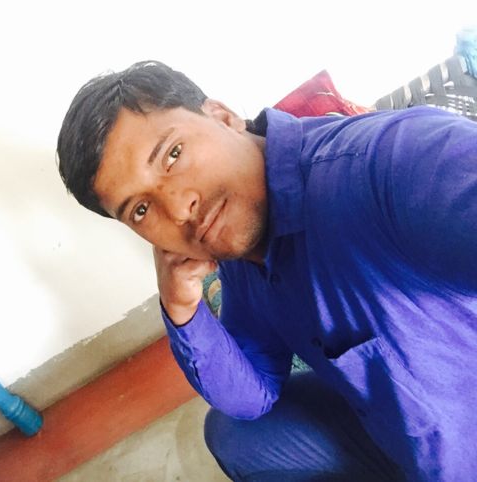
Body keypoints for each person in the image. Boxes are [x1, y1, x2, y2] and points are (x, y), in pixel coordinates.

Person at [56, 60, 477, 481]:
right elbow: (252, 396)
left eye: (173, 154)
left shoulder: (392, 162)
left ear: (223, 116)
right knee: (236, 436)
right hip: (403, 441)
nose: (179, 208)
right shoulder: (243, 251)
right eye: (141, 209)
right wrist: (182, 312)